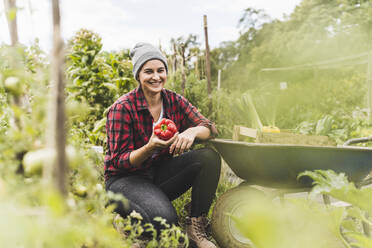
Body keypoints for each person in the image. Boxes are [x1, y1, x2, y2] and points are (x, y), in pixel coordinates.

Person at [104, 42, 221, 248]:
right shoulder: (122, 108)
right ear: (138, 75)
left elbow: (210, 128)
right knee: (165, 220)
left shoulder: (173, 100)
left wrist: (192, 131)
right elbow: (118, 162)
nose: (156, 77)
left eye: (160, 70)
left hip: (157, 175)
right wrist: (149, 147)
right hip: (125, 181)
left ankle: (195, 228)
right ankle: (131, 224)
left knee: (208, 158)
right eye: (148, 71)